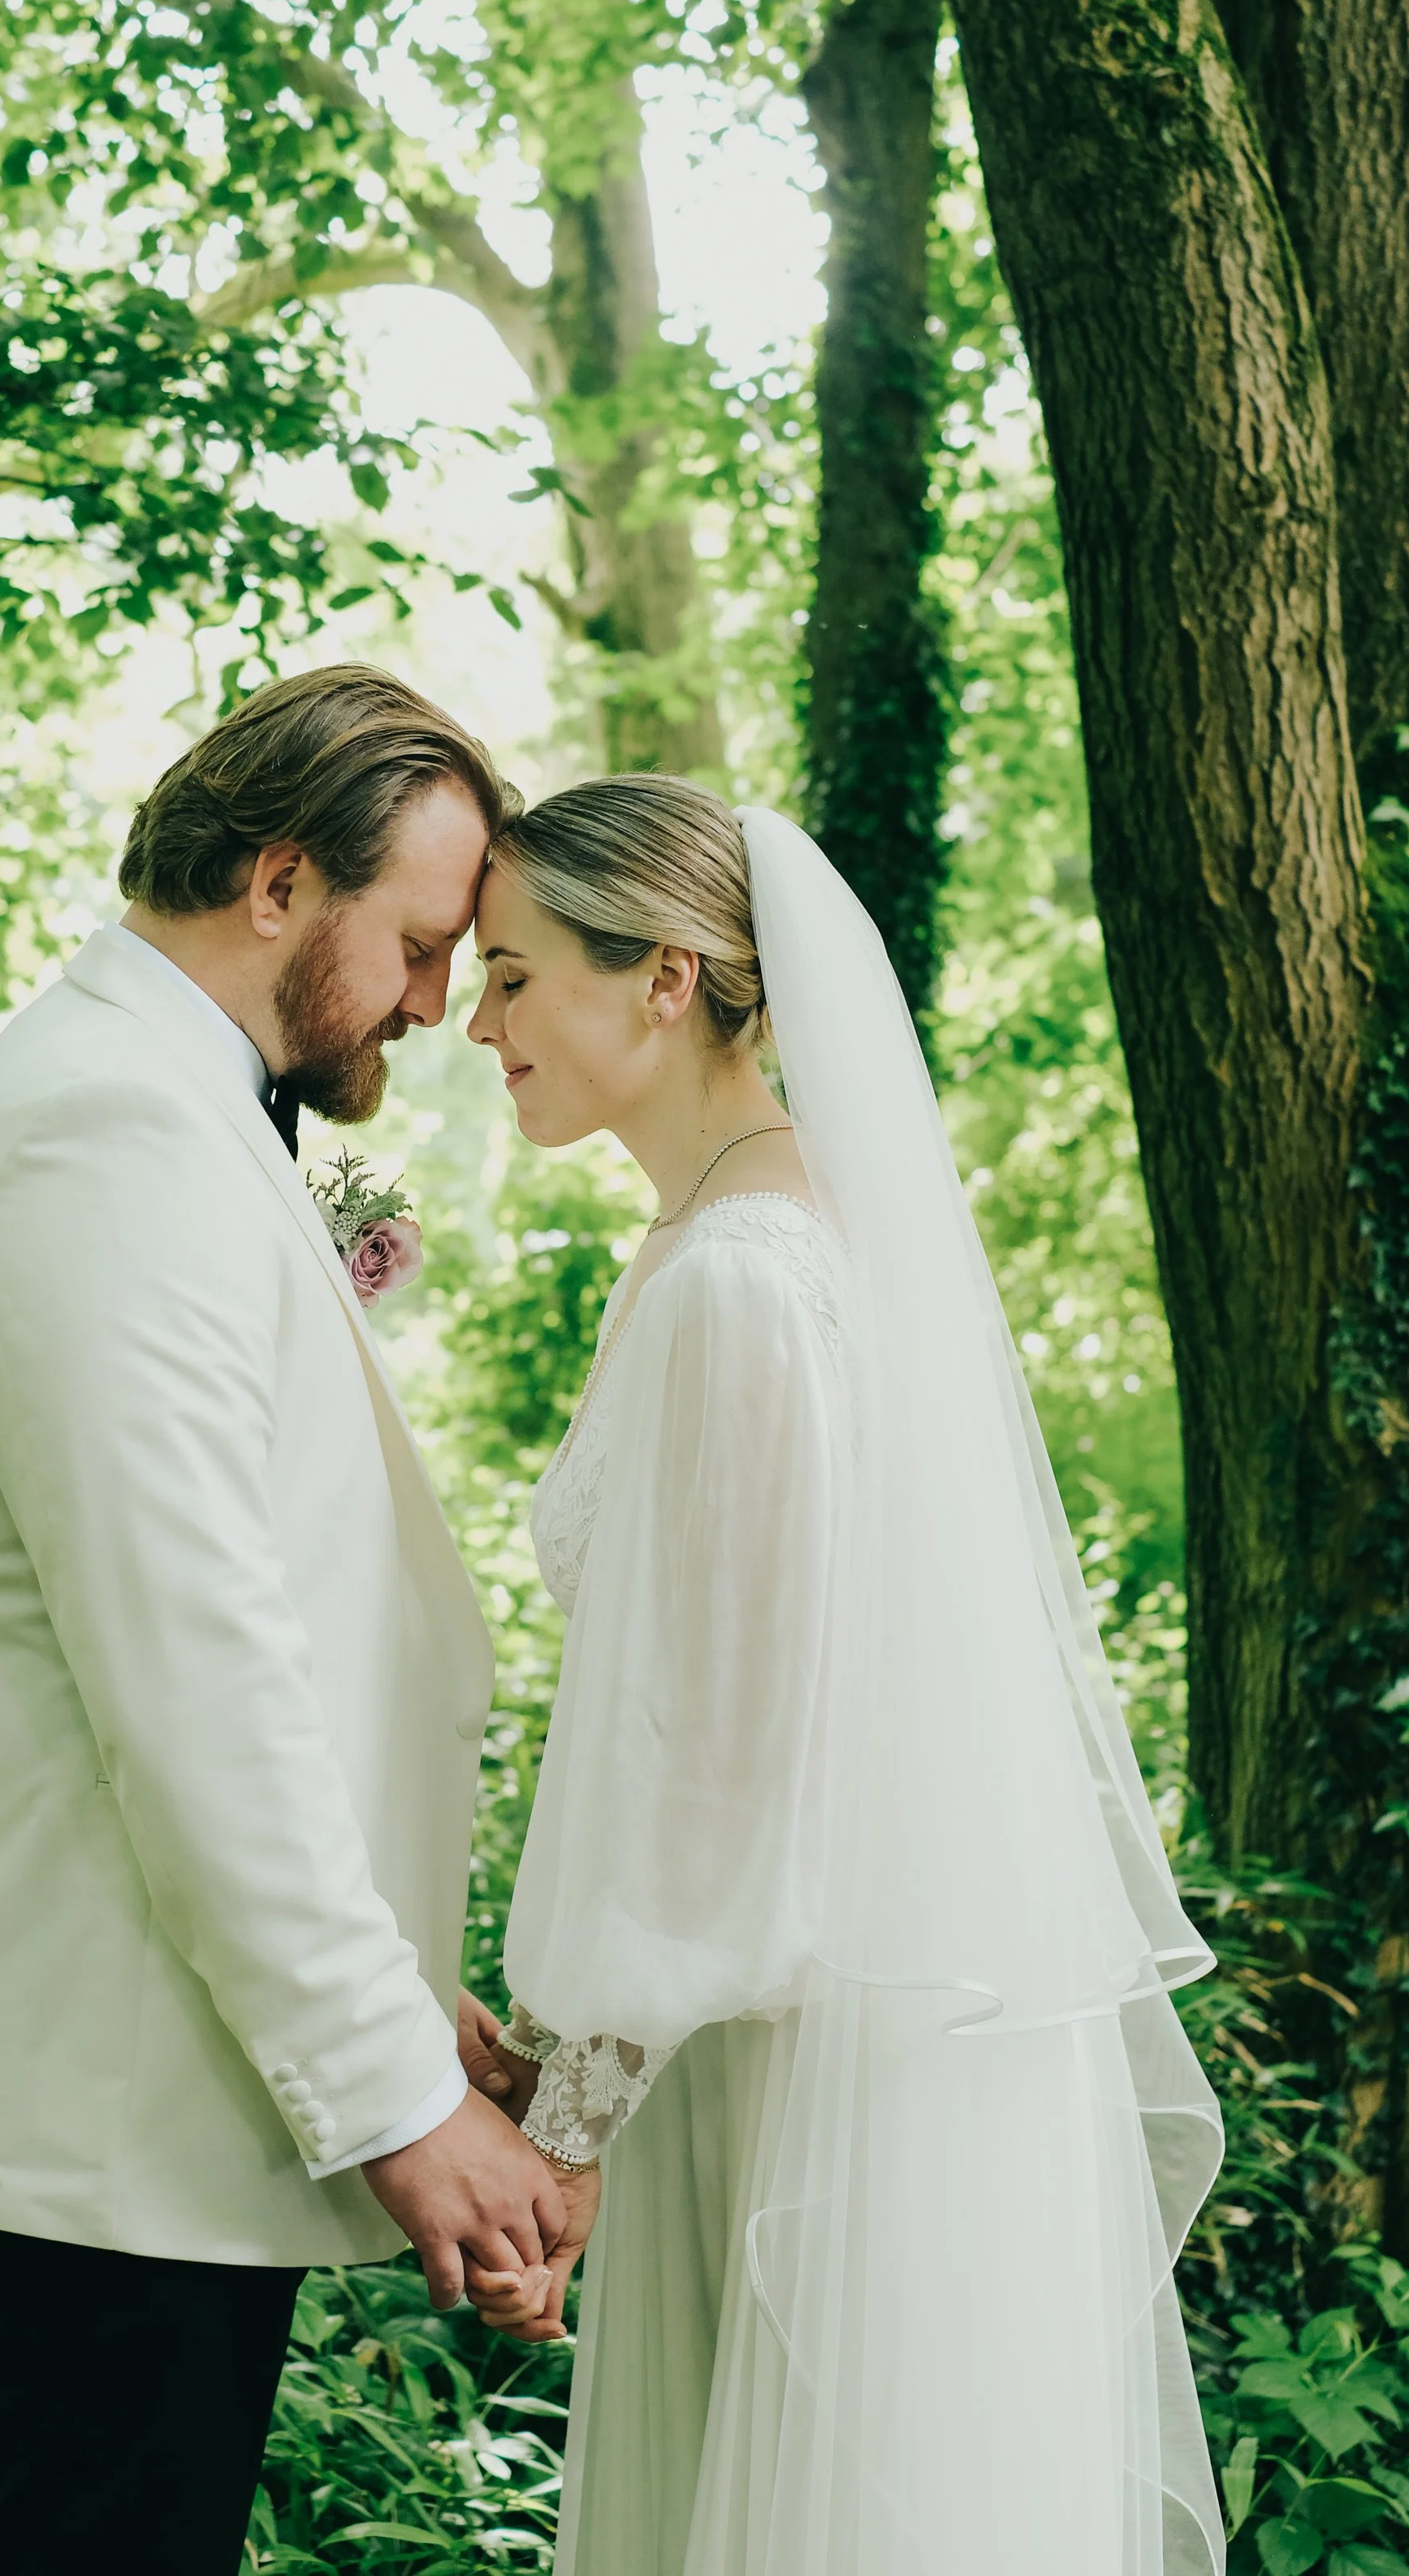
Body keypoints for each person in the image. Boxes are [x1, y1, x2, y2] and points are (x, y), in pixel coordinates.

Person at [0, 666, 566, 2574]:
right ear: (273, 881)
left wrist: (410, 1985)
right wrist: (399, 2101)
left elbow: (275, 1616)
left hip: (151, 2076)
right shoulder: (108, 1138)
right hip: (97, 2103)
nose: (428, 1000)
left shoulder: (165, 1103)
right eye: (412, 944)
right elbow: (190, 1677)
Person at [458, 777, 1225, 2576]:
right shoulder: (716, 1244)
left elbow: (735, 1771)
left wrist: (567, 2132)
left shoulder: (745, 1279)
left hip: (794, 2078)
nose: (470, 1025)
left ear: (660, 978)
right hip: (742, 2032)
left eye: (508, 975)